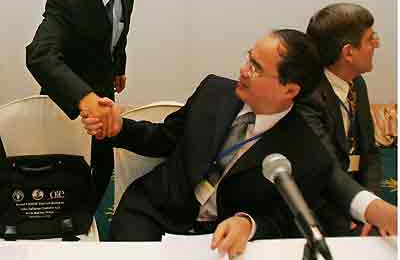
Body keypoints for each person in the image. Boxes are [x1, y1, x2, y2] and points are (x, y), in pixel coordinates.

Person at [82, 29, 396, 254]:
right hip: (154, 213)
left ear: (290, 90)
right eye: (249, 58)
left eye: (257, 68)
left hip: (222, 235)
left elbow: (284, 219)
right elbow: (164, 139)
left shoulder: (304, 149)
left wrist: (249, 223)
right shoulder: (213, 93)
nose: (244, 71)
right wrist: (119, 128)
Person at [26, 0, 144, 204]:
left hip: (104, 92)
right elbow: (39, 55)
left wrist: (118, 66)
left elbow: (118, 27)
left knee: (101, 170)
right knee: (66, 180)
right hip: (70, 101)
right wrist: (83, 97)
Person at [300, 3, 384, 236]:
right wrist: (352, 220)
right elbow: (323, 173)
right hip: (322, 213)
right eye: (370, 39)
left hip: (358, 204)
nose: (376, 44)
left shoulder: (357, 83)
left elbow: (369, 153)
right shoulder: (309, 97)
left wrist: (371, 206)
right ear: (348, 52)